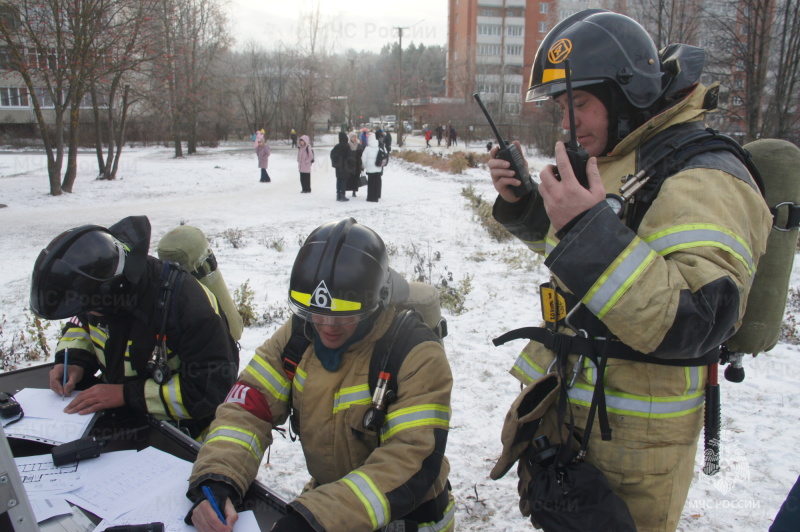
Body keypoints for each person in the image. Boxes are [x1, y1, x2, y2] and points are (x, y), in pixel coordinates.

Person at [486, 9, 771, 532]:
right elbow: (594, 264)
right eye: (560, 107)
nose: (568, 122)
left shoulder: (707, 175)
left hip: (639, 442)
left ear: (627, 95)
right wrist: (529, 206)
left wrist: (587, 229)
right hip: (579, 413)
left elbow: (697, 321)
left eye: (580, 103)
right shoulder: (629, 159)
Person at [186, 218, 455, 532]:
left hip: (406, 518)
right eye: (315, 313)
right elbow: (247, 409)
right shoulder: (299, 336)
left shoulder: (416, 354)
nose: (326, 326)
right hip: (330, 509)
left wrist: (314, 520)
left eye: (344, 315)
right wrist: (219, 478)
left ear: (378, 301)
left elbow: (410, 458)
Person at [29, 215, 240, 439]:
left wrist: (126, 395)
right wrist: (73, 360)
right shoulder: (99, 294)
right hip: (127, 424)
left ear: (110, 294)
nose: (86, 315)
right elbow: (81, 326)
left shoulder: (187, 304)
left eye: (90, 309)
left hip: (189, 438)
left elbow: (210, 390)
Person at [361, 132, 383, 202]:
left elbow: (363, 159)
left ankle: (370, 197)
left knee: (370, 183)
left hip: (370, 168)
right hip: (378, 167)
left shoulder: (367, 149)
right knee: (376, 182)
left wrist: (363, 166)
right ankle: (376, 197)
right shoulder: (378, 147)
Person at [329, 132, 350, 202]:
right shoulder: (347, 146)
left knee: (338, 180)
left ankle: (338, 195)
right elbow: (349, 157)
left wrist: (335, 163)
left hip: (338, 167)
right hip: (345, 167)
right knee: (344, 180)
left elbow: (332, 154)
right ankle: (343, 195)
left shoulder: (336, 147)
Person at [345, 132, 364, 197]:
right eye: (353, 137)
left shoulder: (359, 145)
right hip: (349, 164)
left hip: (357, 164)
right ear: (350, 138)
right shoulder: (347, 145)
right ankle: (347, 189)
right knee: (349, 178)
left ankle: (354, 191)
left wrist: (362, 165)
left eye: (355, 137)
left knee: (356, 178)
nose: (354, 138)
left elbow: (362, 155)